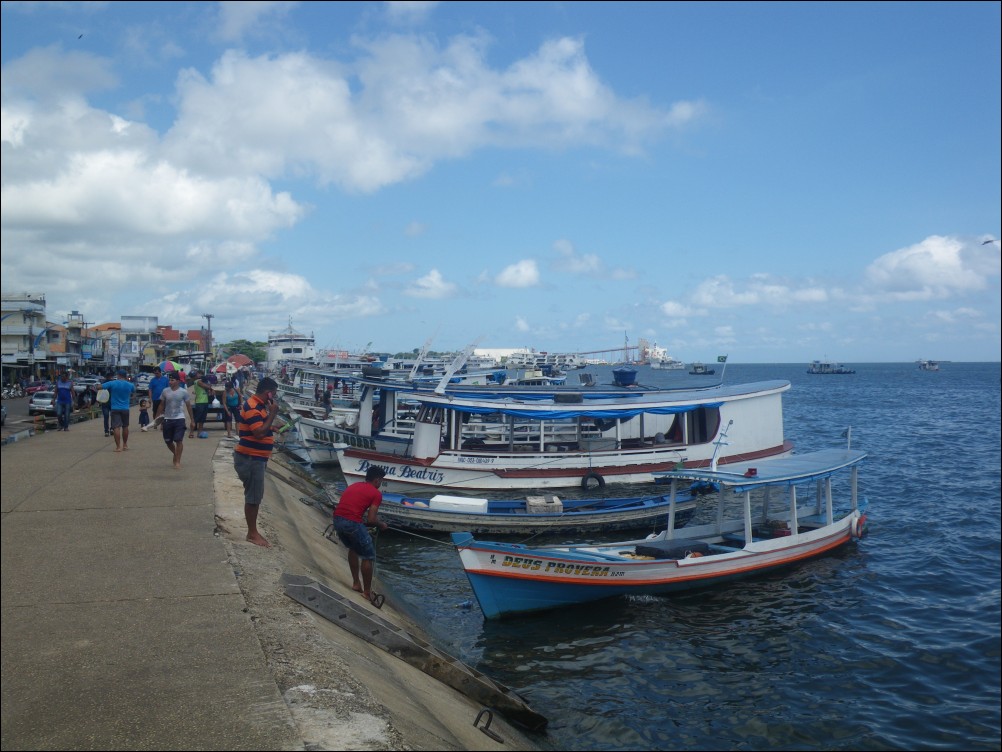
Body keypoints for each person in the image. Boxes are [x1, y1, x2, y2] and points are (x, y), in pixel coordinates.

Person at [233, 377, 287, 547]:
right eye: (274, 393)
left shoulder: (259, 406)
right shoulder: (253, 406)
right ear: (268, 393)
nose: (275, 397)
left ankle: (253, 531)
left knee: (254, 495)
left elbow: (260, 428)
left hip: (256, 457)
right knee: (253, 497)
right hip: (251, 458)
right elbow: (258, 433)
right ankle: (252, 533)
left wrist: (272, 427)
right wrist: (272, 414)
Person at [332, 466, 388, 603]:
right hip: (351, 523)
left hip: (337, 520)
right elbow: (371, 520)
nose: (381, 484)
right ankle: (367, 592)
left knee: (354, 548)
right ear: (376, 480)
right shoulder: (376, 494)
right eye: (381, 481)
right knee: (368, 555)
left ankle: (356, 583)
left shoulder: (354, 485)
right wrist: (382, 525)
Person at [159, 372, 194, 469]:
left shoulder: (183, 392)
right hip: (167, 419)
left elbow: (188, 406)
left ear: (178, 381)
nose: (170, 382)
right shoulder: (165, 391)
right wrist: (157, 419)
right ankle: (175, 453)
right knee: (168, 441)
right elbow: (162, 405)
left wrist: (192, 420)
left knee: (178, 440)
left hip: (179, 418)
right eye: (169, 380)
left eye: (172, 380)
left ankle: (178, 460)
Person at [101, 369, 136, 452]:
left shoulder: (112, 383)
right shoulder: (130, 385)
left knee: (116, 427)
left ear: (119, 375)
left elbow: (100, 387)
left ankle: (118, 447)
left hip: (115, 408)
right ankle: (125, 445)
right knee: (125, 427)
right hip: (125, 408)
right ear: (125, 376)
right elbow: (133, 392)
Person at [189, 369, 212, 438]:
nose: (199, 375)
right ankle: (191, 432)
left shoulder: (198, 381)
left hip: (204, 401)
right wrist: (209, 384)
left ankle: (199, 433)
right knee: (196, 419)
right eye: (197, 374)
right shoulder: (198, 381)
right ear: (195, 376)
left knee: (202, 419)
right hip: (200, 402)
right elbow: (208, 387)